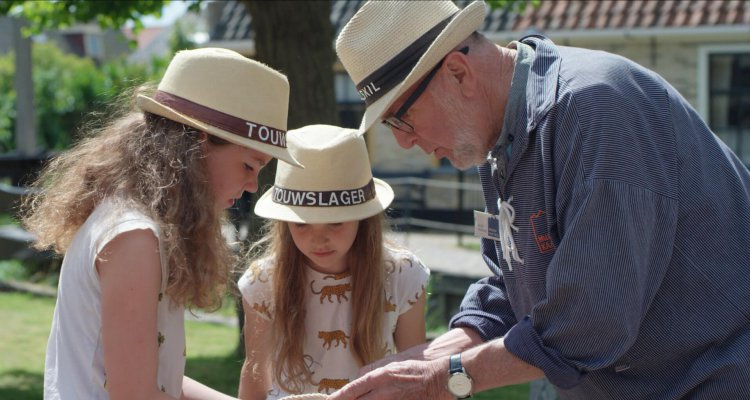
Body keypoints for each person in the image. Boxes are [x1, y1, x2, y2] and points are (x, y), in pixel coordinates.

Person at [329, 1, 750, 399]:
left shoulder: (597, 110)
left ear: (458, 74)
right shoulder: (496, 137)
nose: (402, 143)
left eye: (401, 119)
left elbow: (587, 323)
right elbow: (514, 284)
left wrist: (444, 378)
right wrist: (430, 357)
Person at [22, 47, 302, 399]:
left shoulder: (134, 224)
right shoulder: (134, 238)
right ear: (197, 145)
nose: (252, 186)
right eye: (249, 165)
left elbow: (157, 378)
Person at [236, 125, 430, 399]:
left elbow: (415, 373)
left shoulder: (403, 276)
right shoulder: (262, 282)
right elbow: (254, 374)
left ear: (363, 219)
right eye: (302, 225)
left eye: (335, 222)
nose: (319, 240)